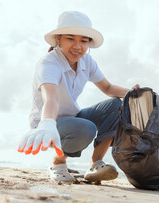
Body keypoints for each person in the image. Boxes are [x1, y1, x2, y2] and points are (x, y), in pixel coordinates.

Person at [17, 11, 139, 183]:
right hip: (48, 123)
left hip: (74, 118)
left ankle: (95, 164)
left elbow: (108, 88)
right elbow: (51, 98)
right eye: (70, 38)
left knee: (116, 105)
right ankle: (57, 163)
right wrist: (47, 124)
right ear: (58, 39)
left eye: (83, 40)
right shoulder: (49, 63)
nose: (77, 46)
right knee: (86, 128)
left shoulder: (87, 62)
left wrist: (134, 94)